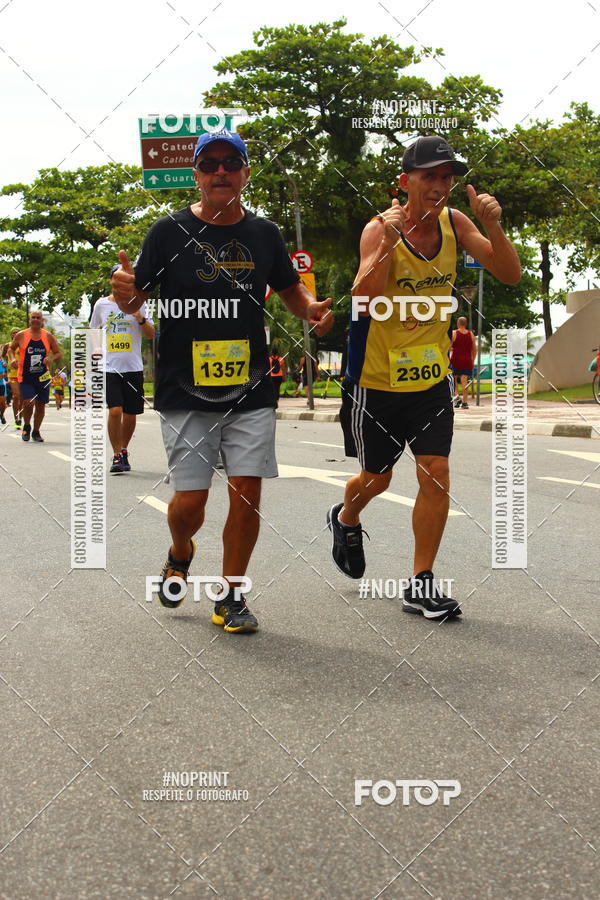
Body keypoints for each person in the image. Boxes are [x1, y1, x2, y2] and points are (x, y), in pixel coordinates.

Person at [110, 128, 333, 632]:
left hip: (250, 386)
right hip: (183, 387)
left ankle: (231, 595)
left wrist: (311, 309)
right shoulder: (167, 232)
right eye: (209, 165)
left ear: (245, 173)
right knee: (190, 503)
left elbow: (290, 290)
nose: (220, 172)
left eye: (230, 163)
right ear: (196, 175)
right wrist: (125, 290)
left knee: (247, 492)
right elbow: (136, 297)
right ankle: (180, 550)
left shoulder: (264, 234)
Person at [328, 135, 521, 619]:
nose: (439, 186)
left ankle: (421, 582)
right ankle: (346, 516)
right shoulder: (379, 228)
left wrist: (493, 226)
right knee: (377, 478)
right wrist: (388, 245)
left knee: (435, 471)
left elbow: (509, 273)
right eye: (429, 176)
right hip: (377, 381)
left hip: (432, 380)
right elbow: (363, 299)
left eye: (446, 177)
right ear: (405, 181)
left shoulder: (456, 223)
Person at [90, 266, 155, 474]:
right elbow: (93, 328)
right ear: (113, 281)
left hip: (133, 368)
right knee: (115, 410)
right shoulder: (101, 304)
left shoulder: (140, 303)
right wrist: (96, 348)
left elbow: (150, 334)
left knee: (130, 413)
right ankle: (116, 454)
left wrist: (140, 317)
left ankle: (124, 449)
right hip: (110, 368)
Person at [10, 311, 62, 442]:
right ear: (30, 320)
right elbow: (11, 349)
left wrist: (51, 358)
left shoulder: (48, 336)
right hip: (26, 376)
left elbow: (58, 353)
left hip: (43, 377)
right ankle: (27, 426)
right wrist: (12, 359)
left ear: (42, 320)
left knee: (40, 405)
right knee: (28, 402)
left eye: (38, 318)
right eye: (33, 317)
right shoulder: (22, 335)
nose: (35, 320)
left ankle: (36, 431)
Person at [450, 316, 477, 409]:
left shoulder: (454, 333)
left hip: (455, 359)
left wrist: (453, 348)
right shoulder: (471, 334)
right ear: (466, 324)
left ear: (458, 323)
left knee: (454, 380)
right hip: (467, 360)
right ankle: (465, 402)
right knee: (464, 381)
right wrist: (472, 360)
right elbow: (474, 349)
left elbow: (448, 346)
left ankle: (457, 397)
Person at [7, 328, 22, 428]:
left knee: (22, 398)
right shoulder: (8, 345)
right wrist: (5, 364)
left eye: (17, 332)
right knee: (16, 395)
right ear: (11, 335)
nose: (15, 334)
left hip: (23, 374)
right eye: (13, 333)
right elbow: (2, 356)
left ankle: (20, 417)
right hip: (12, 375)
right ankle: (16, 418)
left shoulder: (24, 345)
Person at [0, 346, 8, 425]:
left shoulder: (3, 362)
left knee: (3, 403)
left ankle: (2, 415)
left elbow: (6, 374)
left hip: (1, 384)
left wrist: (4, 374)